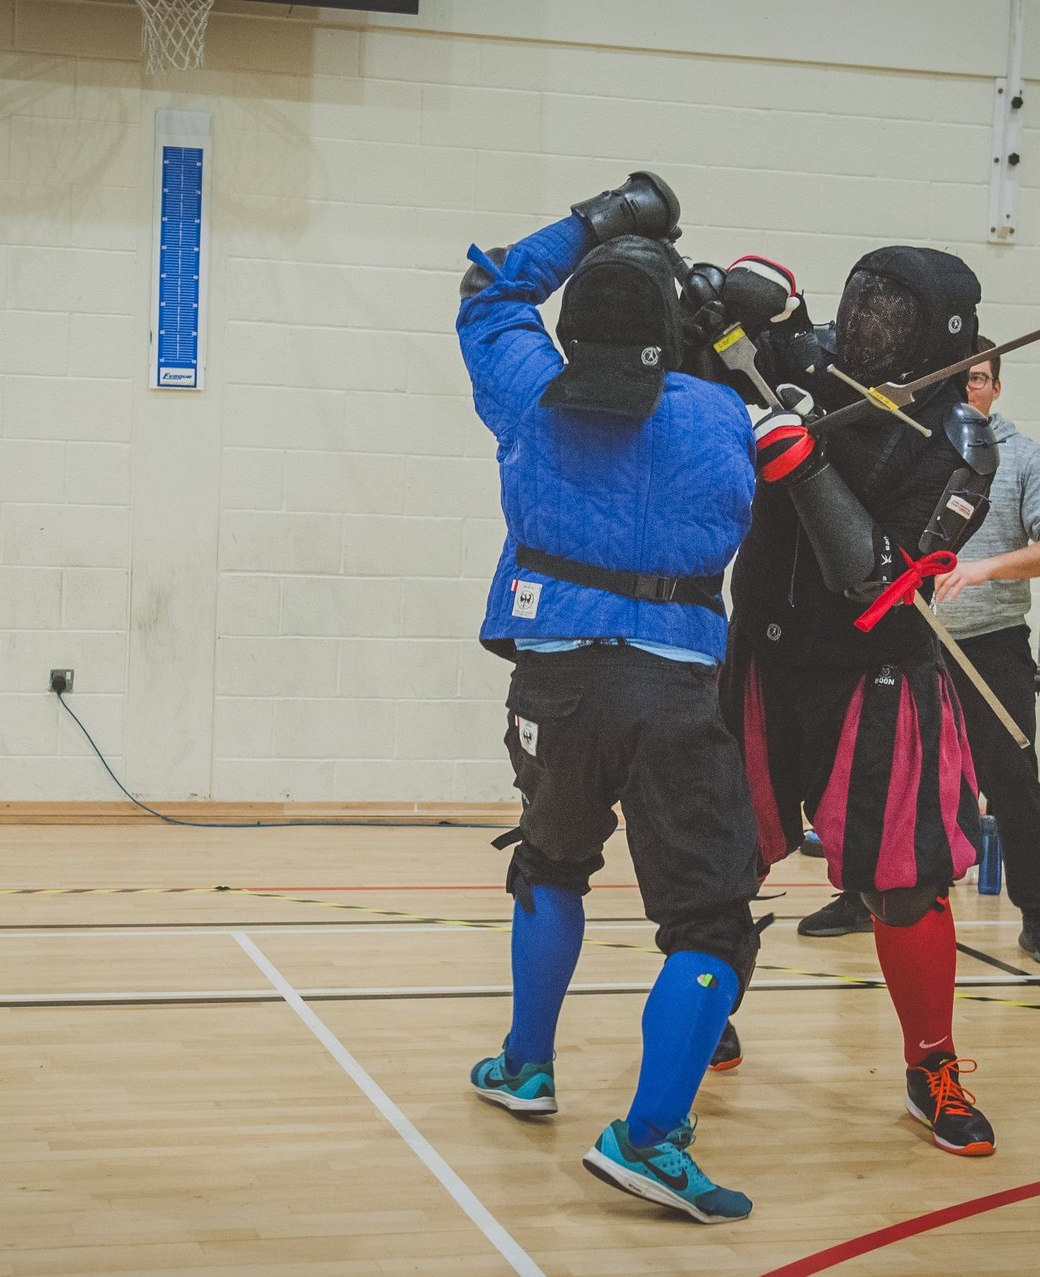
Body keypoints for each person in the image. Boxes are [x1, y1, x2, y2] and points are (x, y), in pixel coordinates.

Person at [454, 173, 764, 1224]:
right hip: (672, 689)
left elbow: (489, 292)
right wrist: (714, 320)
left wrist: (599, 220)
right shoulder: (722, 412)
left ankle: (525, 1065)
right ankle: (648, 1138)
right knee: (710, 920)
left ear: (574, 321)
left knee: (550, 858)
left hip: (553, 683)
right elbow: (748, 399)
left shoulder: (528, 391)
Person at [718, 245, 999, 1157]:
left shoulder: (960, 444)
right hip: (763, 655)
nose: (868, 325)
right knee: (719, 857)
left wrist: (806, 467)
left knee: (906, 883)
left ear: (937, 335)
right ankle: (703, 1005)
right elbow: (719, 340)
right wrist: (730, 305)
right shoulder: (809, 359)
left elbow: (879, 582)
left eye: (892, 314)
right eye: (863, 302)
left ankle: (931, 1066)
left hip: (875, 671)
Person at [796, 337, 1040, 967]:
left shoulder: (1024, 457)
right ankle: (862, 898)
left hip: (989, 645)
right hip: (905, 643)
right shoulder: (907, 446)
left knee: (1012, 780)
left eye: (977, 379)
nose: (966, 389)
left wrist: (982, 569)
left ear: (996, 388)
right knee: (879, 776)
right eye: (957, 379)